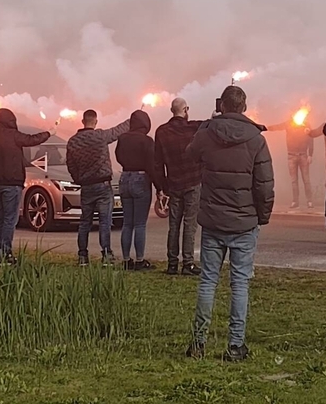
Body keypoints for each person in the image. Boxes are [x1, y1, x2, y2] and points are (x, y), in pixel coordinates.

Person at [186, 85, 274, 362]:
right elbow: (264, 185)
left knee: (208, 282)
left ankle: (198, 343)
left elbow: (189, 155)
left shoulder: (207, 133)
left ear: (222, 105)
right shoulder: (257, 139)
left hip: (213, 220)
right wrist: (262, 216)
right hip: (244, 223)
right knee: (240, 285)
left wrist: (207, 126)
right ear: (244, 107)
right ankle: (235, 346)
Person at [0, 108, 52, 265]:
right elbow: (32, 140)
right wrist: (49, 133)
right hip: (12, 182)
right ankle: (6, 253)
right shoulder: (13, 135)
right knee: (10, 219)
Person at [66, 109, 131, 267]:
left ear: (83, 121)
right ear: (95, 121)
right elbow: (118, 130)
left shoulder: (73, 142)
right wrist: (132, 119)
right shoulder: (100, 136)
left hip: (86, 186)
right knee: (105, 221)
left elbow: (71, 165)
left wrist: (78, 179)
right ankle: (106, 255)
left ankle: (83, 256)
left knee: (85, 222)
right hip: (103, 185)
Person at [152, 97, 204, 276]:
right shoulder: (194, 128)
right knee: (190, 224)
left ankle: (172, 264)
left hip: (174, 184)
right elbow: (208, 125)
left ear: (171, 111)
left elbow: (157, 163)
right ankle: (188, 263)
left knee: (174, 225)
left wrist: (161, 186)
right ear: (186, 110)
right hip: (193, 181)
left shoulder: (161, 131)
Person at [115, 109, 155, 271]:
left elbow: (118, 156)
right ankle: (140, 260)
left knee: (127, 223)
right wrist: (160, 186)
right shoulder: (147, 141)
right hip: (140, 178)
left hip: (124, 177)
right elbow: (152, 164)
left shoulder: (122, 138)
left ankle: (126, 259)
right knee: (140, 224)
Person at [268, 116, 322, 210]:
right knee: (294, 180)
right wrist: (266, 128)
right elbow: (278, 127)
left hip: (303, 155)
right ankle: (295, 201)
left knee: (306, 179)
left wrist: (310, 154)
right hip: (291, 155)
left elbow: (311, 138)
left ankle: (309, 201)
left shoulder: (305, 124)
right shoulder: (289, 123)